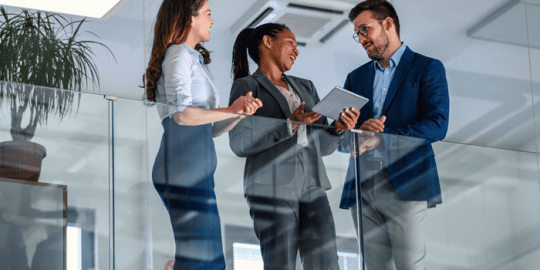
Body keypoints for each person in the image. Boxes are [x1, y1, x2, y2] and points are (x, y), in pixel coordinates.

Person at [228, 23, 360, 270]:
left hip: (312, 185)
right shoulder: (248, 86)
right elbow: (239, 142)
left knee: (327, 262)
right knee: (281, 263)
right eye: (291, 43)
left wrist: (339, 127)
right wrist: (289, 125)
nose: (296, 51)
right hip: (271, 187)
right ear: (268, 42)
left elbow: (324, 145)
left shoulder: (306, 87)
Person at [144, 0, 262, 269]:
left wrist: (238, 113)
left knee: (209, 256)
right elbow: (183, 115)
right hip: (183, 164)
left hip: (196, 166)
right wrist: (229, 109)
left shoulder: (193, 58)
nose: (211, 21)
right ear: (190, 17)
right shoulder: (177, 55)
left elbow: (210, 128)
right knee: (202, 258)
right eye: (208, 14)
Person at [339, 0, 450, 269]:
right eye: (358, 34)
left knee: (409, 265)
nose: (361, 39)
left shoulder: (427, 67)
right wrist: (350, 135)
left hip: (407, 181)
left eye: (365, 30)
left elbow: (437, 124)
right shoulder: (355, 77)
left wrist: (384, 135)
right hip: (363, 184)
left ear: (388, 23)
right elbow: (342, 138)